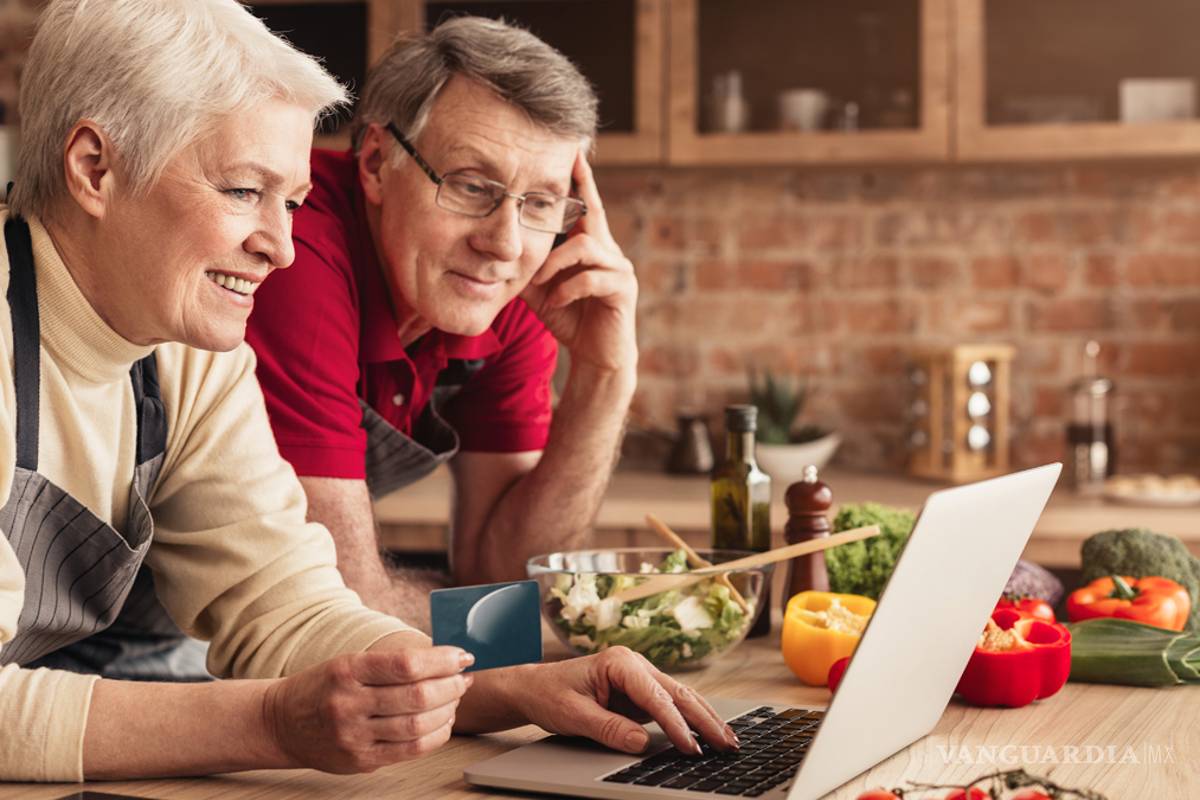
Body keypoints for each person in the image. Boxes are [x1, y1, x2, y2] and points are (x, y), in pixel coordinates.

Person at [0, 0, 734, 782]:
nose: (280, 248)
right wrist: (273, 723)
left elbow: (286, 603)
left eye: (291, 203)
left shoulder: (187, 350)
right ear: (96, 169)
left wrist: (512, 687)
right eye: (244, 191)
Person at [244, 17, 639, 630]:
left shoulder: (510, 289)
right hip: (131, 632)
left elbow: (507, 571)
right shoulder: (298, 250)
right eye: (472, 186)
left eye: (539, 203)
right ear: (376, 162)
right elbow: (342, 608)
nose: (505, 244)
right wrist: (511, 626)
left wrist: (605, 374)